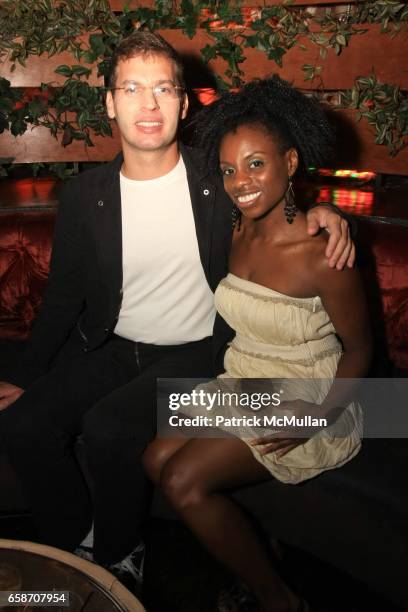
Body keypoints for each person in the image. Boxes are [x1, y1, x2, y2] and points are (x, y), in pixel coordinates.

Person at [0, 32, 353, 587]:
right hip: (114, 348)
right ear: (110, 103)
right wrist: (27, 374)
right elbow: (63, 298)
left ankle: (120, 553)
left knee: (109, 427)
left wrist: (326, 210)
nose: (148, 103)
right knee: (23, 425)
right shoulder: (85, 195)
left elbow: (273, 193)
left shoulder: (214, 179)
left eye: (164, 88)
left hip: (199, 352)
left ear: (184, 104)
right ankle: (75, 549)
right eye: (132, 88)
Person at [143, 76, 372, 612]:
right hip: (245, 379)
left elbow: (361, 350)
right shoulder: (235, 227)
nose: (240, 182)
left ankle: (278, 599)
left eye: (255, 164)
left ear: (290, 163)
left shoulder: (322, 253)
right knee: (154, 458)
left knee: (181, 479)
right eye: (228, 169)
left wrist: (316, 417)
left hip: (306, 392)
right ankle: (258, 553)